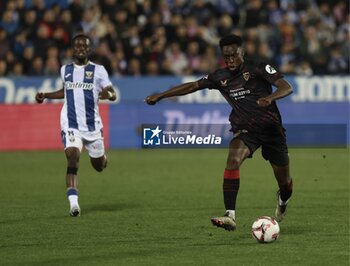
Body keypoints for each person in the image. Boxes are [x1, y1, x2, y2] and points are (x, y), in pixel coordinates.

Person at [145, 34, 293, 231]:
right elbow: (193, 86)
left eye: (234, 55)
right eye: (226, 56)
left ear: (243, 52)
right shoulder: (219, 77)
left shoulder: (258, 67)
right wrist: (161, 95)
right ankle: (229, 215)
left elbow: (287, 87)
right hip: (246, 129)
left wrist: (270, 98)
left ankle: (283, 200)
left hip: (272, 131)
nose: (230, 59)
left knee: (285, 184)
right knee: (233, 158)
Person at [35, 34, 117, 217]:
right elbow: (65, 91)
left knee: (98, 166)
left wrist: (109, 95)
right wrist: (46, 95)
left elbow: (112, 92)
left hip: (92, 126)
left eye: (84, 46)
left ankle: (103, 157)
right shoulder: (65, 70)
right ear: (73, 49)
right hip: (71, 124)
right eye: (77, 46)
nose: (81, 49)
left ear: (89, 49)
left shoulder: (99, 70)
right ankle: (74, 205)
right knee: (72, 157)